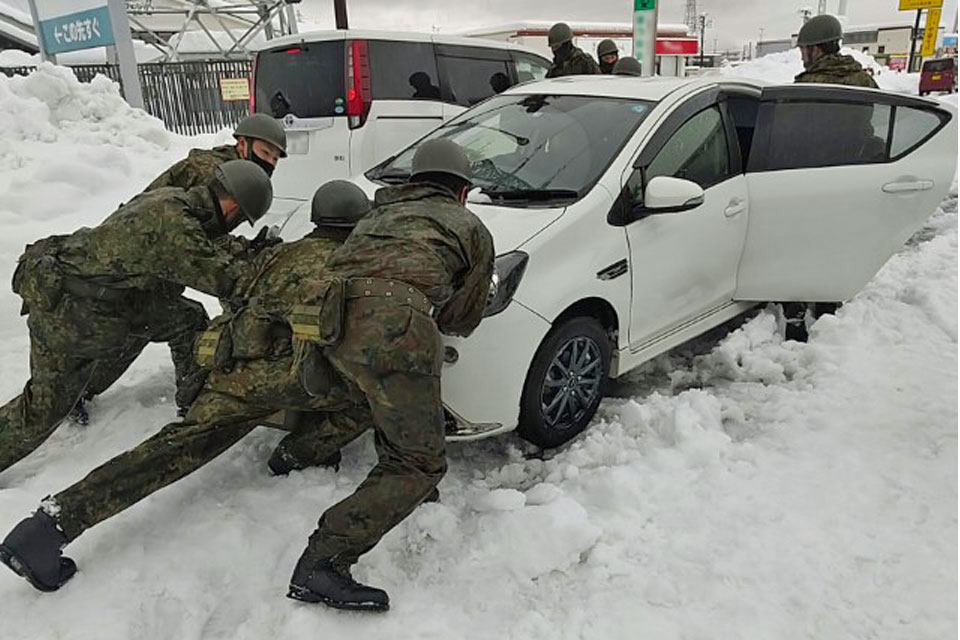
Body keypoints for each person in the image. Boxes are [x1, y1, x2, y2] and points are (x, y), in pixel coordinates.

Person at [0, 180, 371, 595]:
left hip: (225, 370)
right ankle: (298, 453)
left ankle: (48, 526)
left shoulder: (276, 252)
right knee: (367, 398)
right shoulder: (346, 268)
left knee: (169, 451)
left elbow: (235, 286)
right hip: (270, 382)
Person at [0, 160, 272, 475]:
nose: (236, 228)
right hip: (71, 312)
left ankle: (191, 400)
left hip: (104, 298)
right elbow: (224, 280)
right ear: (233, 208)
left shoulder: (175, 201)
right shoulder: (175, 227)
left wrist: (249, 250)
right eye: (241, 221)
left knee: (185, 317)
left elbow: (207, 242)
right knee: (42, 410)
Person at [145, 113, 288, 190]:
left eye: (275, 159)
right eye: (265, 153)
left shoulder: (242, 176)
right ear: (243, 144)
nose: (269, 162)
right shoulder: (216, 174)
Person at [794, 14, 878, 88]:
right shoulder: (864, 82)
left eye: (802, 50)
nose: (802, 58)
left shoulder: (804, 85)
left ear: (815, 49)